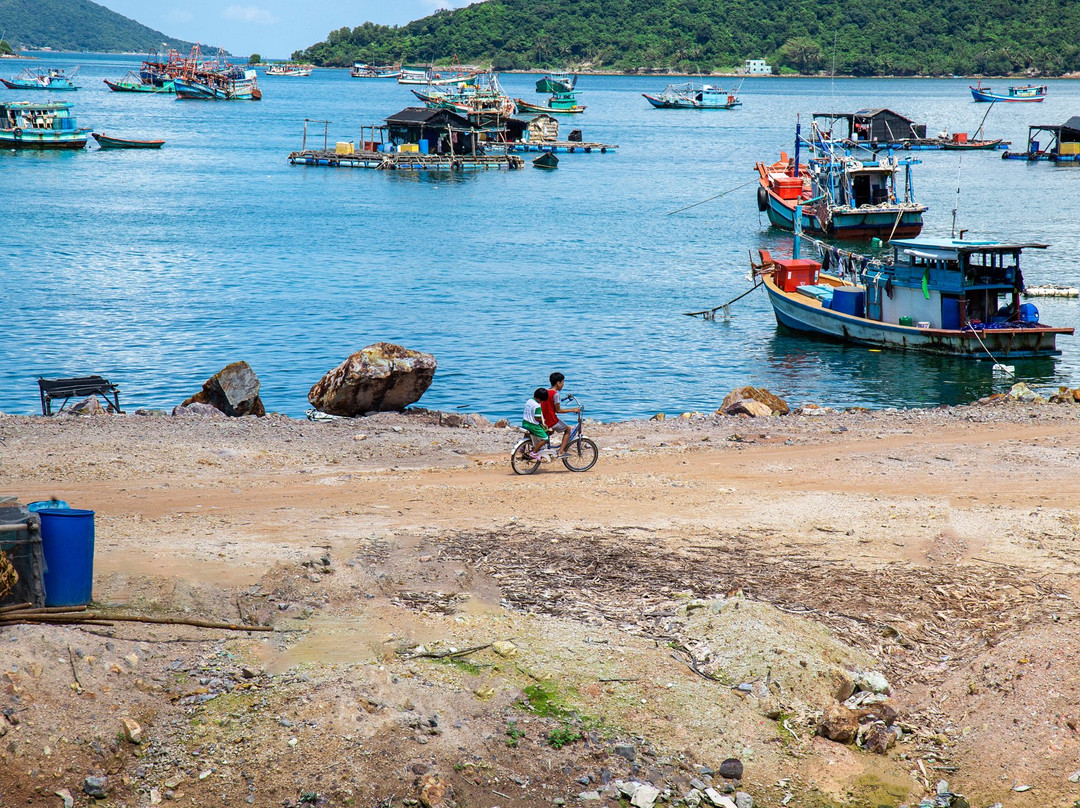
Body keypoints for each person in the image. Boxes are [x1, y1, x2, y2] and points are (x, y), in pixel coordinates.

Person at [541, 372, 581, 456]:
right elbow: (558, 410)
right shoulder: (555, 394)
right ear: (558, 383)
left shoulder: (545, 392)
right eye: (562, 382)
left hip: (543, 419)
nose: (563, 384)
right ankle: (561, 451)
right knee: (568, 430)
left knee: (550, 432)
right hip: (551, 420)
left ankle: (547, 447)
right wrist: (573, 409)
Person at [521, 387, 551, 460]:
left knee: (527, 433)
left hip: (525, 422)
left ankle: (522, 447)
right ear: (541, 399)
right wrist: (543, 422)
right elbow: (537, 418)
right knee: (545, 438)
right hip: (533, 425)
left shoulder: (529, 401)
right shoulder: (537, 406)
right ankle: (534, 453)